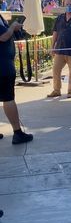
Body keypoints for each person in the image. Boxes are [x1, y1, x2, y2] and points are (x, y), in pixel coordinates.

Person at [0, 14, 33, 144]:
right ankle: (17, 132)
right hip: (2, 66)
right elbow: (3, 37)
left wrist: (14, 29)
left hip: (4, 63)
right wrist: (12, 27)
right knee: (8, 98)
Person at [46, 0, 71, 98]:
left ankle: (70, 92)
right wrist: (52, 47)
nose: (68, 6)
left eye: (70, 4)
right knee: (56, 70)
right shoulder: (59, 18)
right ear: (64, 5)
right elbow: (55, 32)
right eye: (67, 4)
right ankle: (56, 90)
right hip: (60, 49)